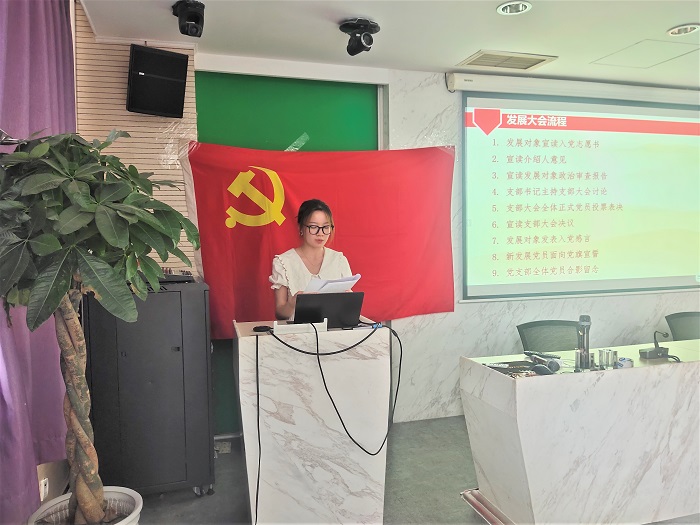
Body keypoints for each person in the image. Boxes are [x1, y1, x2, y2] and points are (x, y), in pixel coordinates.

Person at [269, 199, 352, 320]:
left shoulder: (339, 260)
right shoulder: (283, 262)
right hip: (296, 330)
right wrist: (292, 304)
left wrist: (350, 301)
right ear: (301, 228)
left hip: (334, 329)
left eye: (325, 227)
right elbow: (280, 313)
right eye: (313, 227)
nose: (320, 233)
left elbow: (347, 309)